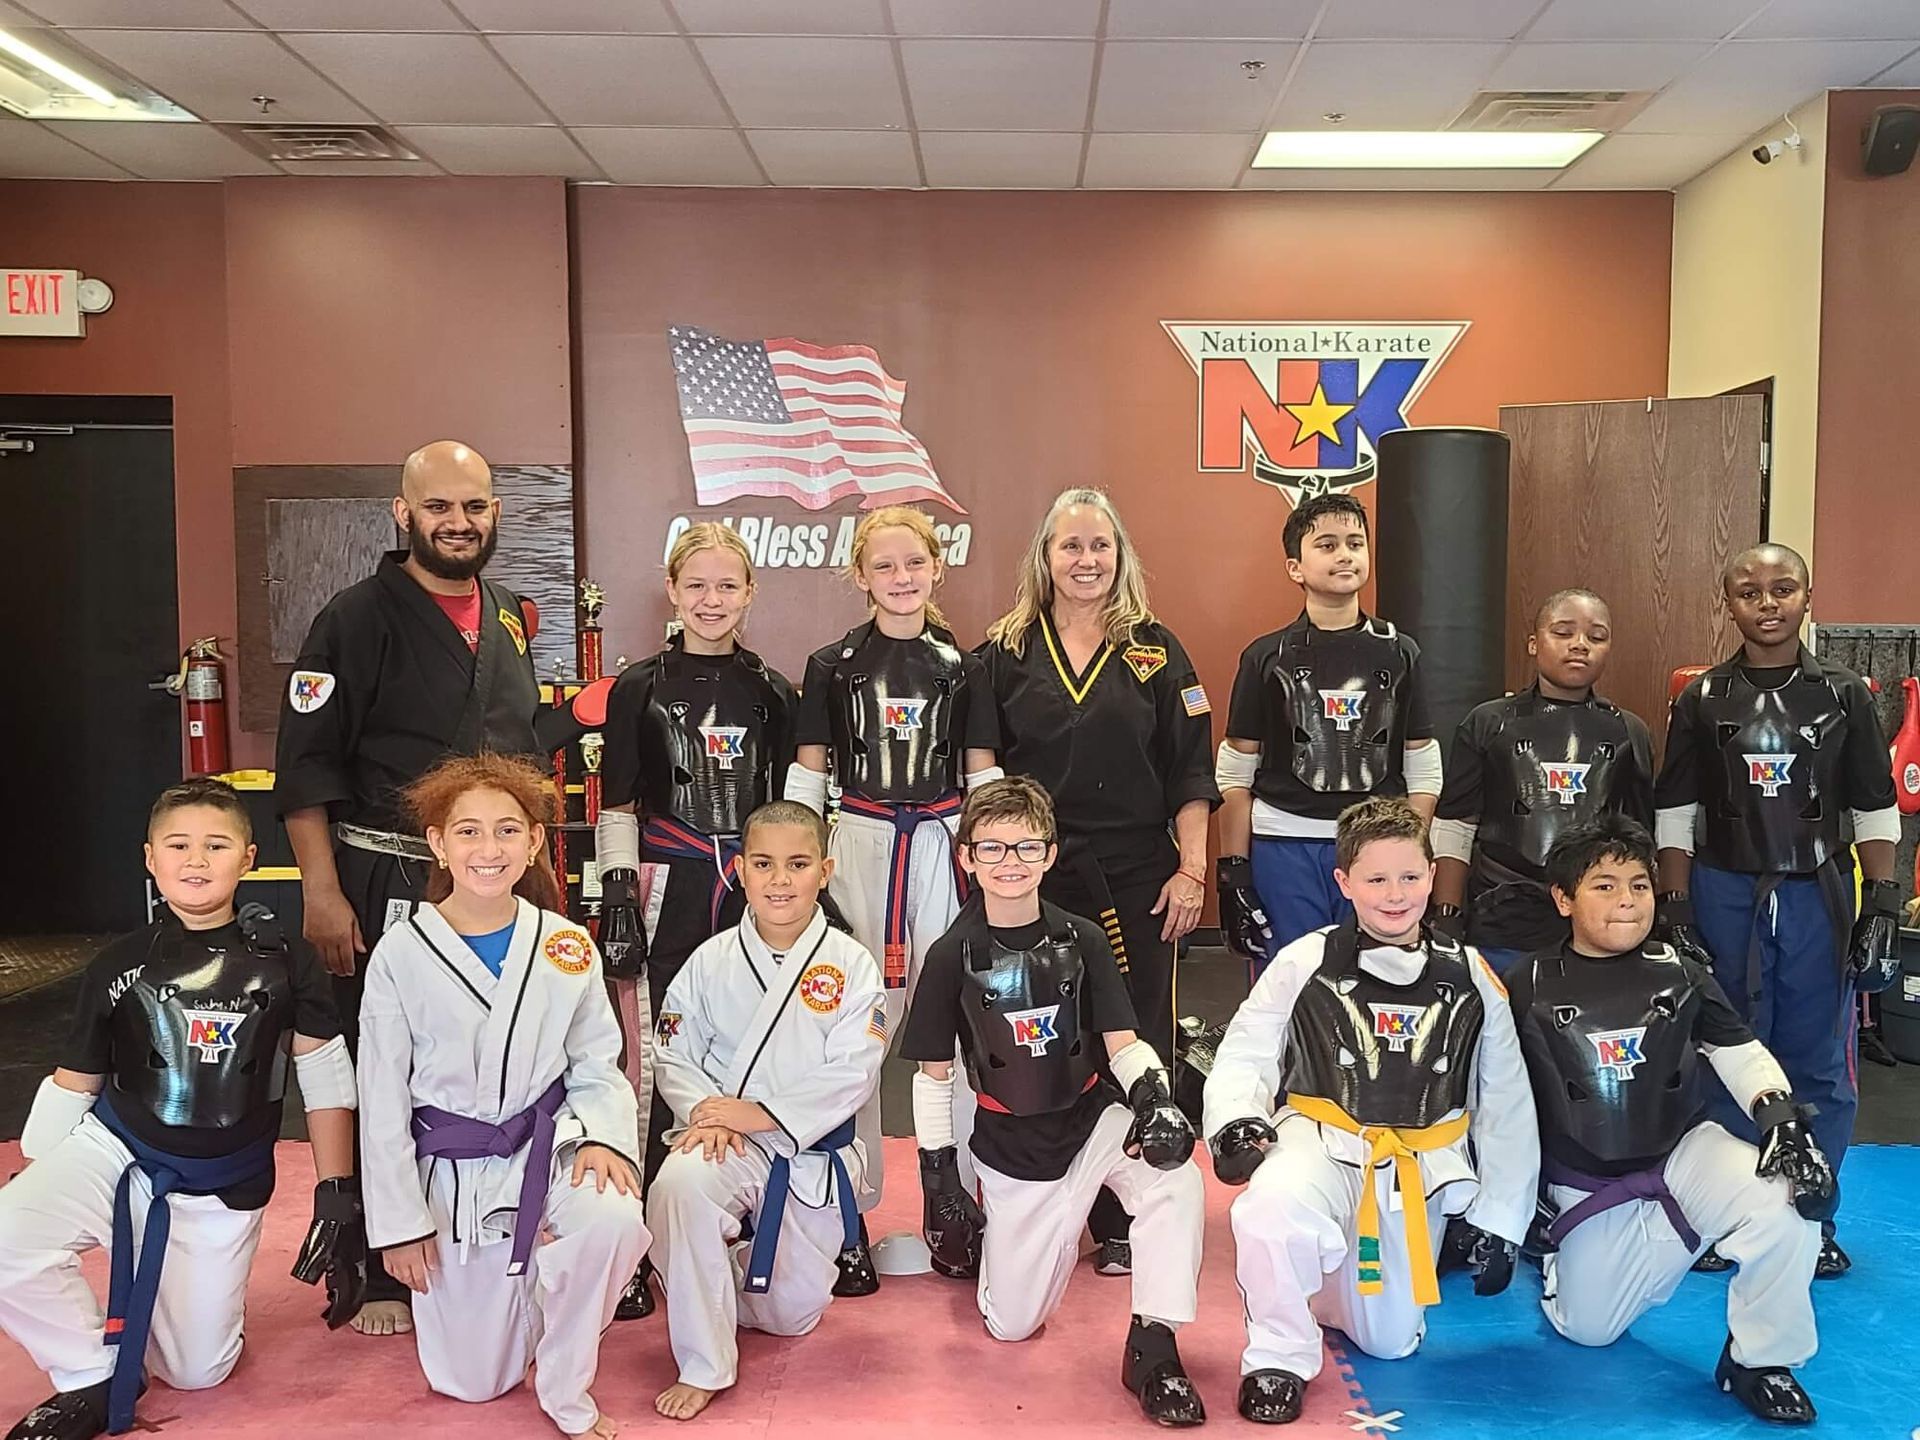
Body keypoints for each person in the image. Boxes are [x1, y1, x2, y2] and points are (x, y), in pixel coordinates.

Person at [276, 439, 604, 1333]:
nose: (457, 523)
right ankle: (372, 1251)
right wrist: (321, 890)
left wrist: (585, 712)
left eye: (474, 507)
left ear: (496, 512)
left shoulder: (503, 614)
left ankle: (498, 1217)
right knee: (382, 1063)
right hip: (380, 869)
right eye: (439, 508)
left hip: (492, 868)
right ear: (403, 512)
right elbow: (304, 766)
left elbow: (511, 745)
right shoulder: (351, 617)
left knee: (490, 1057)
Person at [0, 779, 363, 1440]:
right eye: (179, 845)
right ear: (150, 858)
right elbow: (78, 1076)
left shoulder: (289, 961)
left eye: (216, 844)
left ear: (249, 858)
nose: (196, 860)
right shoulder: (118, 963)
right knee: (5, 1238)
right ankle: (90, 1375)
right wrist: (38, 1167)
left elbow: (326, 1075)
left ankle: (170, 1299)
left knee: (197, 1371)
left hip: (223, 1181)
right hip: (117, 1150)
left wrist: (336, 1194)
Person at [1204, 798, 1536, 1426]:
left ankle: (1331, 1280)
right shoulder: (1305, 959)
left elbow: (1506, 1100)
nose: (1394, 894)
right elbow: (1249, 1047)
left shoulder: (1469, 976)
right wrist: (1235, 1121)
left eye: (1410, 877)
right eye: (1376, 879)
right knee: (1268, 1208)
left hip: (1417, 1162)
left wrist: (1504, 1218)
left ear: (1433, 875)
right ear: (1344, 883)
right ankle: (1279, 1353)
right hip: (1321, 1138)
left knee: (1389, 1341)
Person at [901, 778, 1208, 1425]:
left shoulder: (1085, 939)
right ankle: (1009, 1248)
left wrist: (1154, 1097)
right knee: (1012, 1326)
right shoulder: (950, 954)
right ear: (966, 858)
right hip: (1014, 1152)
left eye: (1025, 847)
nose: (1010, 862)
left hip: (1092, 1123)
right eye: (992, 848)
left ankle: (1153, 1347)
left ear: (1049, 853)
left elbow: (1122, 1040)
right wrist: (938, 1176)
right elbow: (933, 1075)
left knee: (1173, 1177)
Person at [356, 755, 646, 1440]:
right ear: (437, 844)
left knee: (614, 1222)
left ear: (535, 843)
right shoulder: (401, 952)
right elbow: (380, 1092)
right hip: (451, 1167)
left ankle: (565, 1378)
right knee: (471, 1385)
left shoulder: (566, 944)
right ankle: (535, 1294)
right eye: (468, 833)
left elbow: (598, 1060)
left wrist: (606, 1138)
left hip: (547, 1145)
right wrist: (397, 1223)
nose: (489, 851)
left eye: (508, 832)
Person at [1510, 816, 1831, 1425]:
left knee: (1788, 1200)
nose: (1627, 900)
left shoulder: (1680, 971)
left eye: (1638, 884)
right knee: (1590, 1332)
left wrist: (1782, 1121)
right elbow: (1495, 1094)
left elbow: (1737, 1050)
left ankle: (1761, 1360)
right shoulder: (1524, 983)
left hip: (1685, 1155)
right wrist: (1509, 1201)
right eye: (1604, 886)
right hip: (1587, 1182)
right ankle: (1558, 1266)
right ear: (1563, 899)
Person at [979, 486, 1218, 1276]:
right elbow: (986, 775)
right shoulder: (1006, 650)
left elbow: (1191, 772)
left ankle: (1126, 1215)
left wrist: (1192, 871)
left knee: (1139, 1036)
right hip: (1036, 877)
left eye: (1100, 547)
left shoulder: (1155, 649)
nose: (1086, 561)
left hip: (1139, 878)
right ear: (1043, 559)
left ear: (1121, 557)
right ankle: (1035, 1196)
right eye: (1070, 547)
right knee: (1042, 1036)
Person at [1654, 543, 1899, 1278]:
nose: (1767, 602)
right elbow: (1675, 809)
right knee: (1725, 1049)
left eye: (1782, 588)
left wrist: (1882, 900)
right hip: (1723, 888)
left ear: (1807, 596)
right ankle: (1728, 1210)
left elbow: (1873, 803)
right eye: (1749, 591)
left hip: (1816, 889)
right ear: (1727, 602)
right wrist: (1673, 904)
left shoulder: (1846, 692)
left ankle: (1813, 1212)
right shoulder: (1700, 698)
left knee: (1817, 1057)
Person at [593, 522, 802, 1317]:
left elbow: (789, 807)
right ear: (672, 591)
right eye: (697, 586)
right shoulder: (636, 688)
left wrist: (792, 882)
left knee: (753, 1040)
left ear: (749, 593)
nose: (712, 601)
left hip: (754, 886)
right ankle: (640, 1247)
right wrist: (617, 893)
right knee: (650, 1053)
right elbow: (618, 803)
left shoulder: (776, 691)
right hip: (667, 881)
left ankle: (751, 1222)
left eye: (728, 587)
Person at [786, 506, 1000, 1249]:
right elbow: (808, 780)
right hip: (860, 845)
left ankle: (965, 1200)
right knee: (851, 1026)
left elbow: (983, 781)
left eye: (914, 564)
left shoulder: (967, 668)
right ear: (859, 575)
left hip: (942, 847)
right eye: (884, 565)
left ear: (937, 568)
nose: (901, 578)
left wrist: (990, 863)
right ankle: (845, 1208)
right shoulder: (832, 666)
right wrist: (800, 870)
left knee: (958, 1023)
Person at [644, 802, 887, 1423]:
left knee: (789, 1319)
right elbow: (670, 1050)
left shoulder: (852, 964)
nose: (780, 880)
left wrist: (760, 1113)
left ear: (825, 871)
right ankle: (704, 1360)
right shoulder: (710, 961)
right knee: (678, 1186)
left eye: (798, 864)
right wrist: (707, 1111)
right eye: (764, 864)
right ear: (740, 871)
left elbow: (855, 1069)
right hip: (726, 1140)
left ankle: (709, 1275)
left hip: (806, 1147)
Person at [1216, 495, 1441, 977]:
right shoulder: (1264, 657)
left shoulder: (1401, 654)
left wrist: (1408, 846)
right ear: (1295, 567)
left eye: (1355, 543)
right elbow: (1235, 773)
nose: (1345, 554)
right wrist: (1232, 868)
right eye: (1328, 544)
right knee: (1288, 980)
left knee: (1380, 977)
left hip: (1377, 848)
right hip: (1284, 845)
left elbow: (1423, 768)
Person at [1430, 589, 1653, 973]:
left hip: (1593, 918)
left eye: (1596, 637)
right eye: (1563, 632)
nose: (1580, 645)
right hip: (1502, 911)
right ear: (1534, 644)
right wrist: (1446, 914)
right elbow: (1455, 825)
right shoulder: (1488, 722)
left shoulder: (1628, 731)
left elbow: (1642, 837)